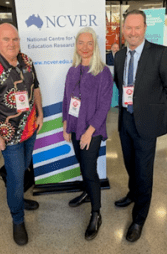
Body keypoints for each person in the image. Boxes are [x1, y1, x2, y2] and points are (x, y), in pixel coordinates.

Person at [114, 10, 167, 242]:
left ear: (144, 28)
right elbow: (120, 84)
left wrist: (155, 107)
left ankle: (139, 218)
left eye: (137, 27)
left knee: (144, 172)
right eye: (128, 28)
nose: (133, 32)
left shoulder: (160, 53)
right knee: (130, 163)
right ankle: (133, 194)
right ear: (124, 30)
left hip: (147, 124)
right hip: (126, 121)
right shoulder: (121, 56)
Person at [0, 23, 43, 246]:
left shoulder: (26, 60)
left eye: (15, 39)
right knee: (16, 178)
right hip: (8, 135)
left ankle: (16, 195)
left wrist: (40, 113)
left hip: (30, 128)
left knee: (21, 170)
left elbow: (37, 88)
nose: (11, 43)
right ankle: (17, 219)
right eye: (6, 39)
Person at [62, 27, 113, 241]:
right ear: (76, 45)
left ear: (95, 45)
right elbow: (66, 99)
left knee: (90, 170)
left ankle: (96, 213)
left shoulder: (103, 72)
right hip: (74, 126)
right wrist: (66, 125)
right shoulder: (73, 70)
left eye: (89, 43)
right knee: (82, 164)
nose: (84, 47)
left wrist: (89, 132)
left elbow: (104, 106)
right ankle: (86, 192)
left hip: (92, 129)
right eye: (80, 43)